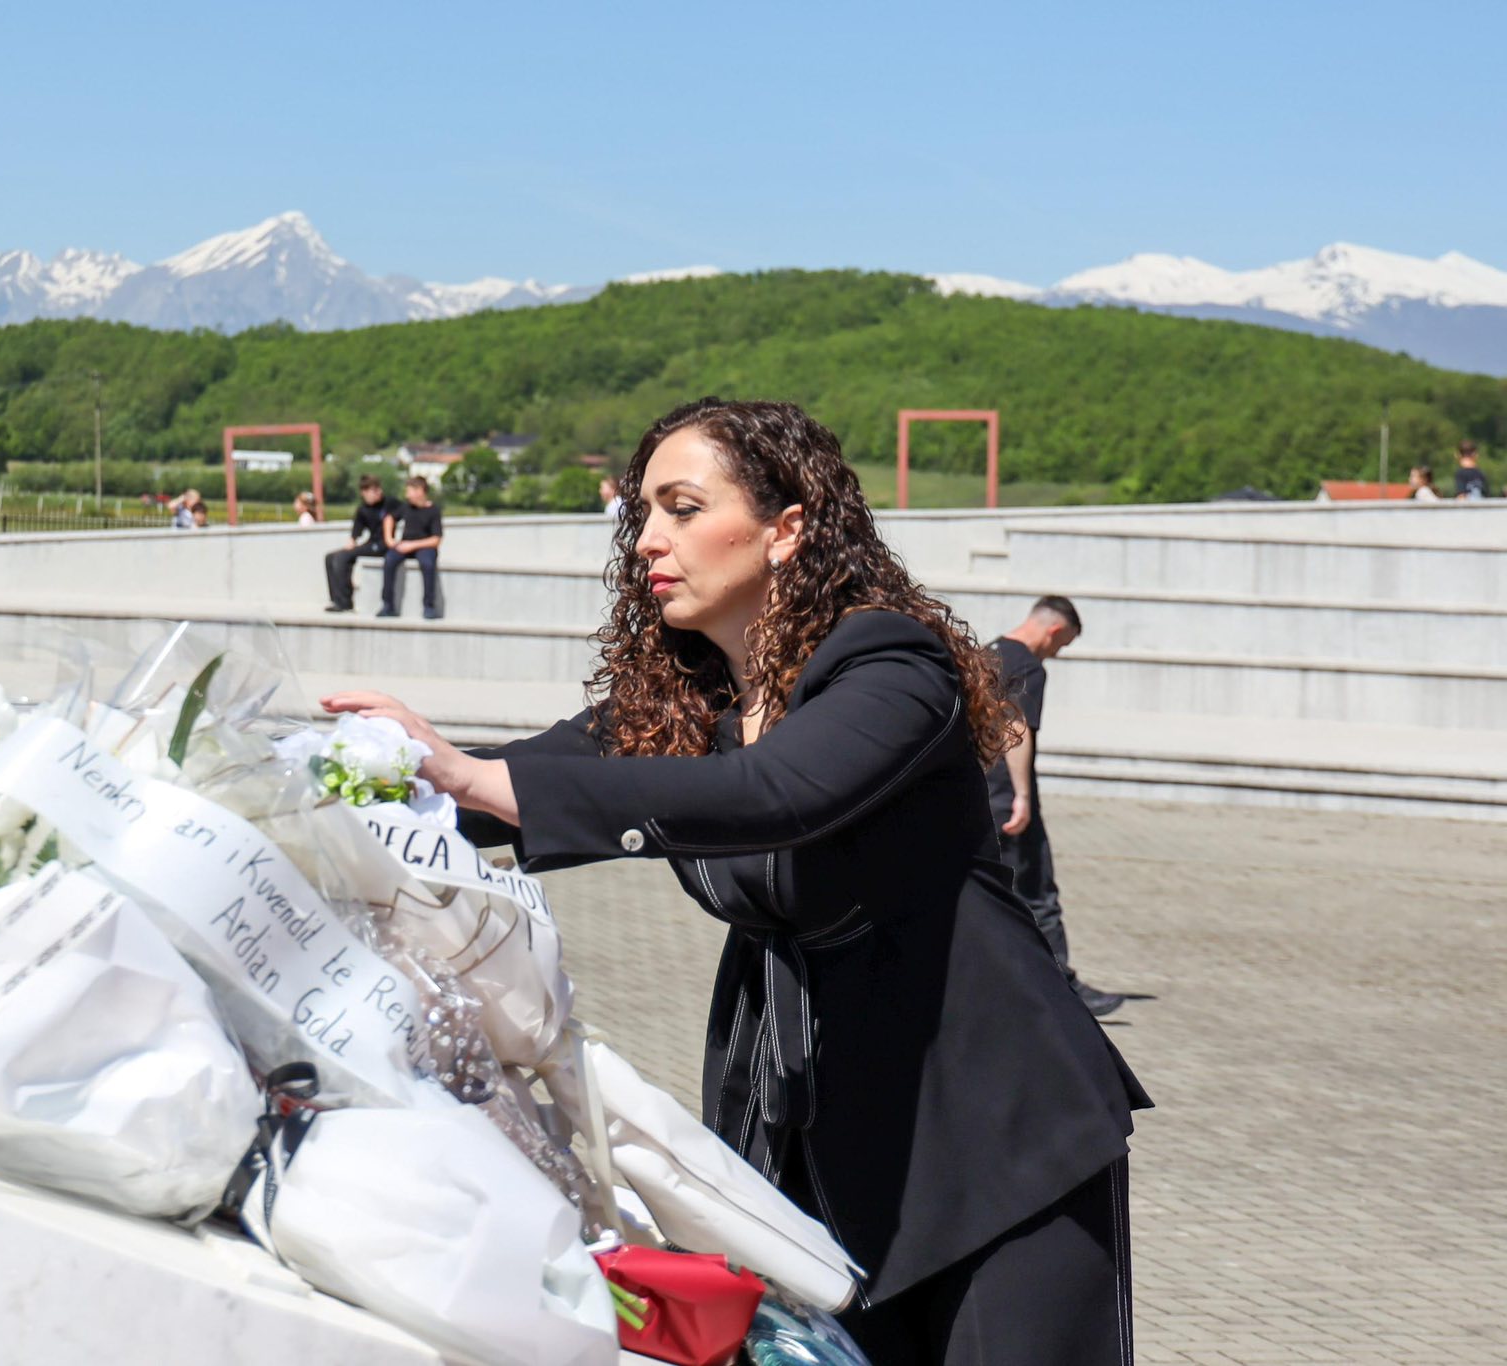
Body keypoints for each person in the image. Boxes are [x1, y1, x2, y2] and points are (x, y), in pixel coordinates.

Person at [325, 398, 1147, 1365]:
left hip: (994, 1131)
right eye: (642, 513)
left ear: (785, 529)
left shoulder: (890, 660)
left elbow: (778, 792)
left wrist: (473, 778)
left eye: (681, 508)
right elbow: (503, 785)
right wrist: (329, 793)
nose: (648, 539)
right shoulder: (684, 698)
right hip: (812, 1139)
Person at [986, 597, 1123, 1018]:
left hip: (980, 793)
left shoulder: (988, 653)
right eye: (1062, 645)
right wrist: (1023, 795)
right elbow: (1015, 725)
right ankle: (1062, 991)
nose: (1057, 653)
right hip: (1008, 798)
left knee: (992, 893)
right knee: (1037, 892)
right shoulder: (1028, 665)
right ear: (1054, 631)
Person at [379, 476, 444, 620]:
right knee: (389, 560)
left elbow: (436, 539)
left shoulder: (433, 510)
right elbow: (389, 518)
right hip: (404, 545)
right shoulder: (406, 507)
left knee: (427, 564)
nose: (407, 495)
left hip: (424, 546)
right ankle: (388, 605)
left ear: (420, 491)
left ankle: (429, 606)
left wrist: (412, 545)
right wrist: (389, 540)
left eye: (409, 491)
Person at [324, 475, 389, 613]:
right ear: (363, 493)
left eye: (377, 490)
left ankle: (345, 602)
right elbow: (356, 531)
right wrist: (351, 542)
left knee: (342, 558)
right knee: (331, 557)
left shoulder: (389, 504)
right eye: (372, 491)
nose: (377, 493)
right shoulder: (363, 509)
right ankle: (336, 599)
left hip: (383, 544)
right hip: (371, 543)